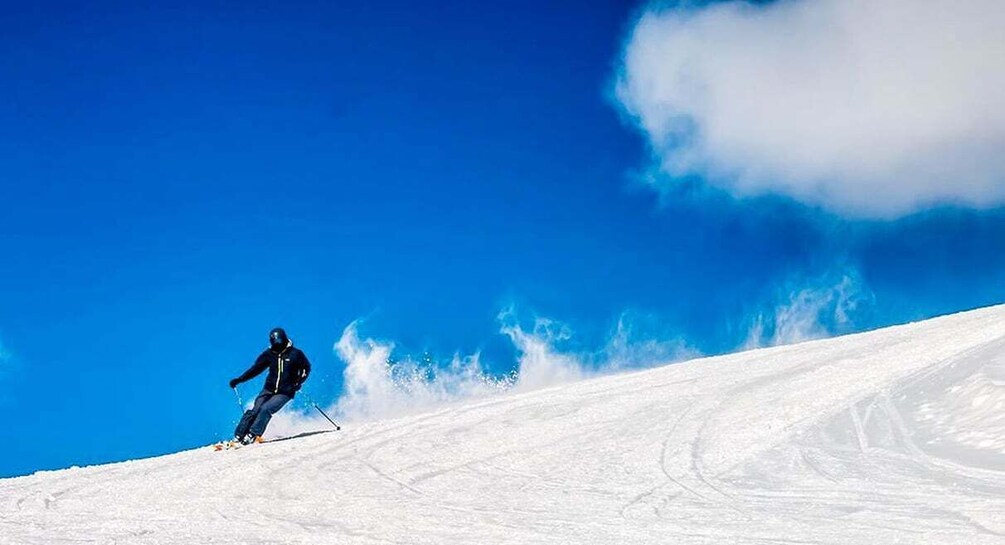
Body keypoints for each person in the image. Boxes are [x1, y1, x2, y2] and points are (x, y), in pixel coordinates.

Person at [228, 327, 311, 444]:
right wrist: (240, 380)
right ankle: (238, 436)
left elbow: (306, 368)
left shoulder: (296, 354)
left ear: (284, 339)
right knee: (255, 410)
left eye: (279, 341)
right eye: (275, 342)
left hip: (285, 392)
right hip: (268, 389)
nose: (277, 345)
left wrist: (299, 382)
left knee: (265, 409)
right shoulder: (269, 354)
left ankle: (252, 434)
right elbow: (255, 369)